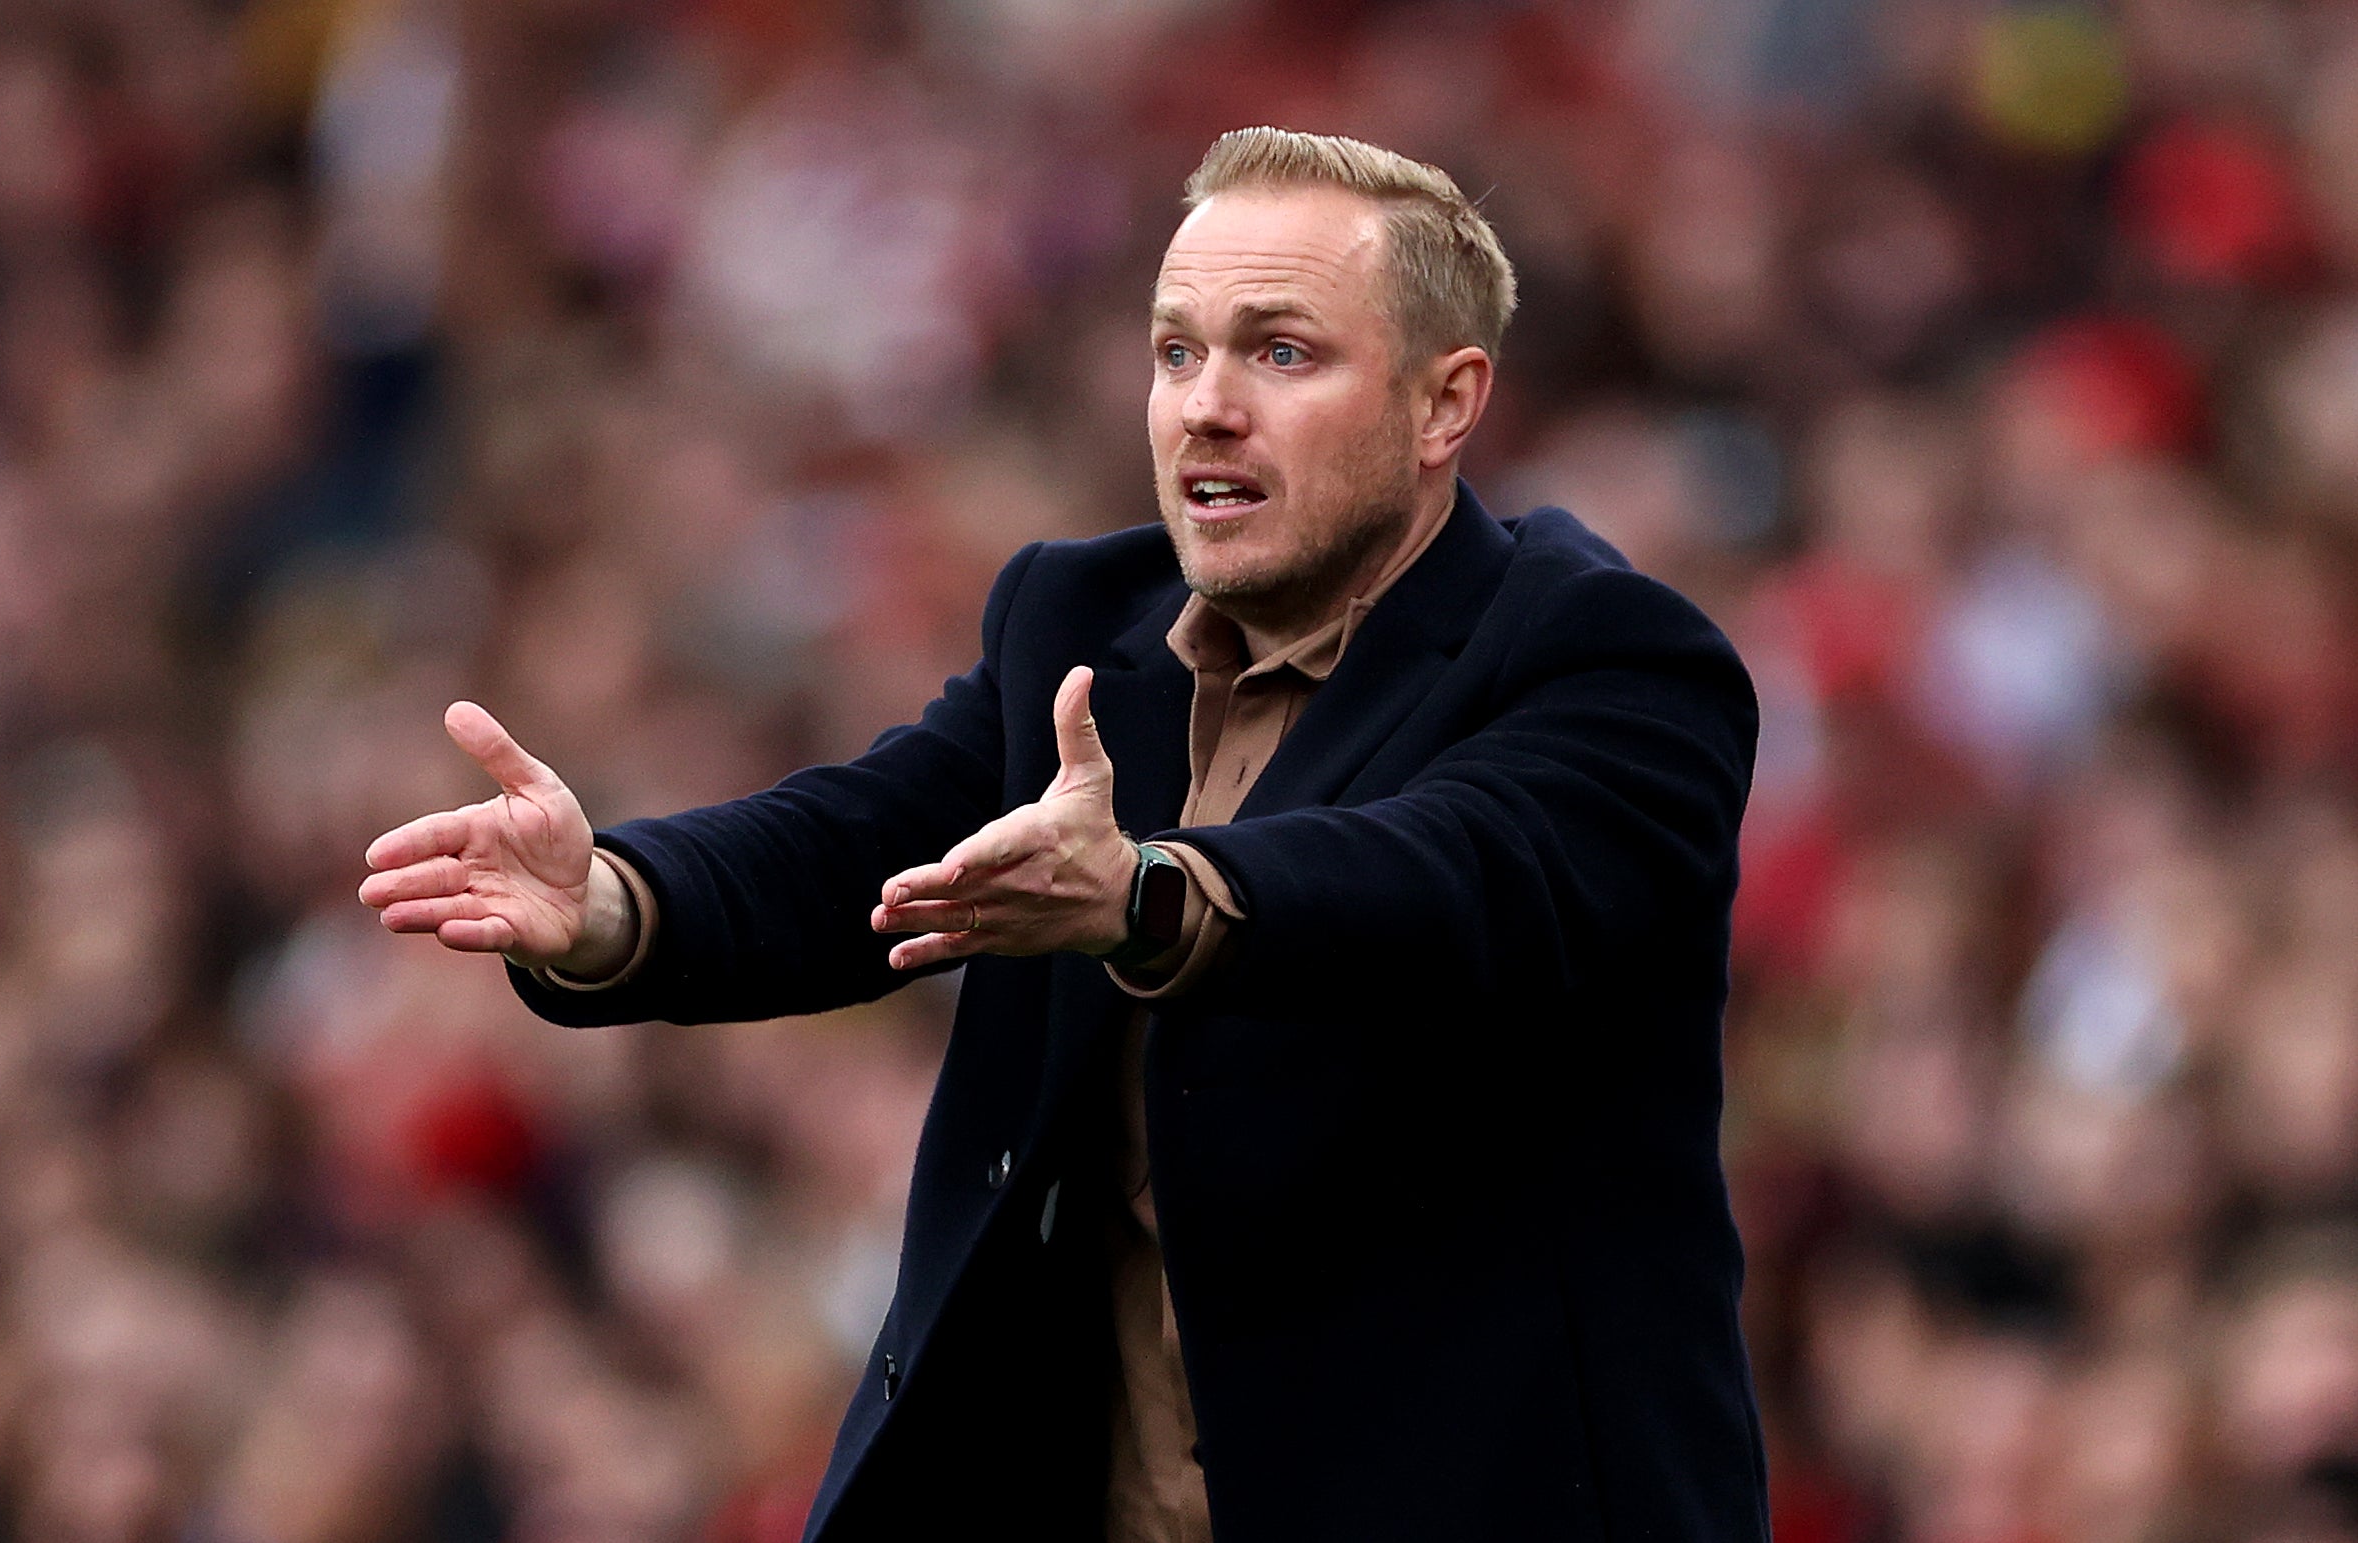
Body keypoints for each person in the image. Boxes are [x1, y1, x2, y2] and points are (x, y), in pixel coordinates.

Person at [361, 127, 1768, 1542]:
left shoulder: (1607, 657)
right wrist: (618, 899)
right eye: (1175, 352)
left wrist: (1151, 896)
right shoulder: (1082, 626)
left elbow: (1453, 877)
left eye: (1279, 353)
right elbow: (866, 838)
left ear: (1441, 404)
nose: (1205, 407)